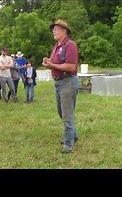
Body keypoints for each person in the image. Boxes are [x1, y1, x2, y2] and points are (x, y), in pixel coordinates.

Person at [42, 19, 79, 154]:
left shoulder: (70, 45)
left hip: (67, 82)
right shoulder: (56, 46)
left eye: (56, 28)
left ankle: (68, 143)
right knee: (62, 112)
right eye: (53, 28)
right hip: (58, 82)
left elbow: (71, 66)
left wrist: (52, 65)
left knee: (67, 115)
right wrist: (49, 61)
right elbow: (56, 62)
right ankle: (73, 135)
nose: (54, 30)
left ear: (64, 31)